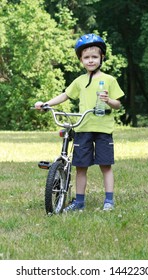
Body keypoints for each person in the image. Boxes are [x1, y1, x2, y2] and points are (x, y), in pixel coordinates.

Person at [35, 33, 124, 212]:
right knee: (80, 166)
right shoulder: (79, 81)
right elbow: (65, 95)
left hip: (103, 129)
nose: (90, 60)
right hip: (82, 128)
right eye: (86, 57)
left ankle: (109, 201)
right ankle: (79, 202)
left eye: (94, 57)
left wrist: (108, 101)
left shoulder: (109, 80)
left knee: (105, 165)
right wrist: (46, 103)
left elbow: (118, 104)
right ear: (81, 60)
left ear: (101, 58)